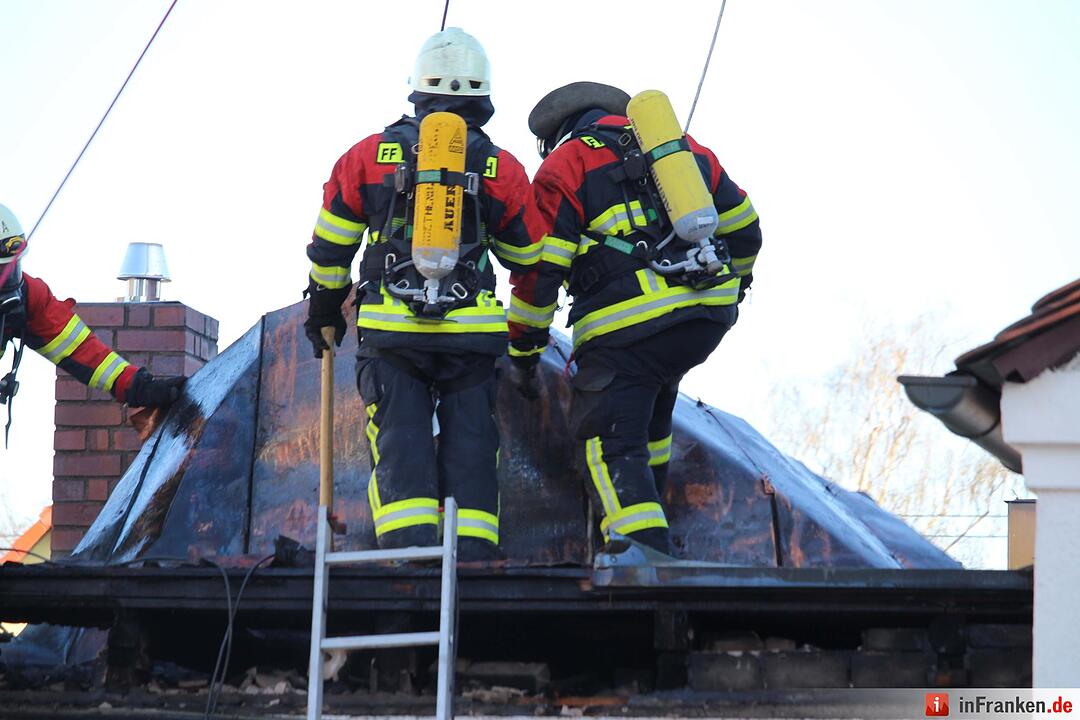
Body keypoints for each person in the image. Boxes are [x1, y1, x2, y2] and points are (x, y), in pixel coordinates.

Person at [302, 28, 540, 559]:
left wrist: (324, 313)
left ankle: (407, 559)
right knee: (472, 443)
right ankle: (470, 560)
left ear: (419, 86)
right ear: (482, 93)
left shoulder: (369, 155)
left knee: (400, 441)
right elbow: (528, 259)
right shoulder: (501, 167)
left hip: (392, 333)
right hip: (471, 336)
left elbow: (331, 250)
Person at [507, 82, 762, 555]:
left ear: (556, 133)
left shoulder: (567, 163)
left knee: (608, 444)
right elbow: (746, 230)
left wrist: (524, 349)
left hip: (625, 330)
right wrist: (734, 289)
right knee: (647, 429)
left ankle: (642, 557)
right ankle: (658, 538)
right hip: (703, 320)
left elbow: (541, 269)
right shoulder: (682, 150)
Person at [0, 204, 185, 444]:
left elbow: (78, 348)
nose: (7, 280)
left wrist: (136, 386)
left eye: (10, 268)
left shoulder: (29, 298)